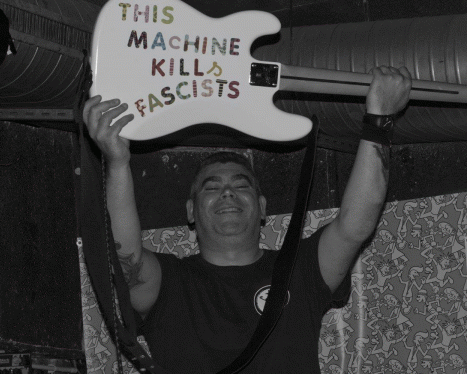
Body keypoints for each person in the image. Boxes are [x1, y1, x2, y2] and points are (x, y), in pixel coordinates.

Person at [82, 65, 412, 373]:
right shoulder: (170, 283)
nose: (228, 193)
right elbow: (125, 255)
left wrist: (379, 121)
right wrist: (118, 163)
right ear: (190, 211)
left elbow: (355, 226)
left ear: (263, 207)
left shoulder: (300, 270)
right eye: (212, 188)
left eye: (241, 186)